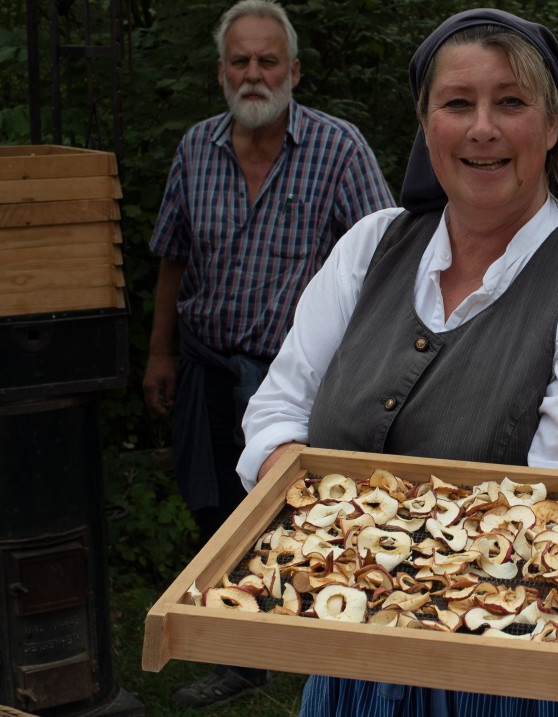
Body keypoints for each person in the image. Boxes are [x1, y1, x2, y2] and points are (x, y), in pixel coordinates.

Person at [237, 7, 558, 716]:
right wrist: (293, 478)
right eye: (457, 104)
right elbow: (279, 405)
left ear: (554, 123)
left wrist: (340, 524)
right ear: (425, 125)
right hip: (361, 653)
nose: (482, 128)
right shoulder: (372, 247)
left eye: (511, 101)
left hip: (536, 673)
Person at [142, 0, 394, 707]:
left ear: (294, 71)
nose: (254, 74)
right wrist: (159, 353)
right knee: (215, 508)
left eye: (268, 60)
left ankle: (329, 645)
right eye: (240, 60)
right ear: (221, 71)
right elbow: (172, 257)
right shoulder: (197, 147)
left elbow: (383, 258)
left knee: (299, 515)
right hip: (207, 364)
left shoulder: (338, 148)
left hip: (299, 380)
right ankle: (242, 659)